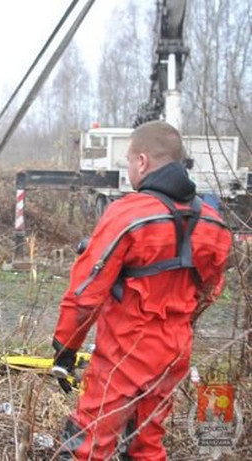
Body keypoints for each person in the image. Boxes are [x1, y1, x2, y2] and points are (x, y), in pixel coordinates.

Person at [51, 121, 232, 460]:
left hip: (126, 351)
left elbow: (85, 293)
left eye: (130, 161)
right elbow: (209, 292)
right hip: (175, 352)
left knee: (87, 445)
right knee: (146, 445)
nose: (130, 168)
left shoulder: (128, 214)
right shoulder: (214, 223)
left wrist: (65, 348)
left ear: (143, 162)